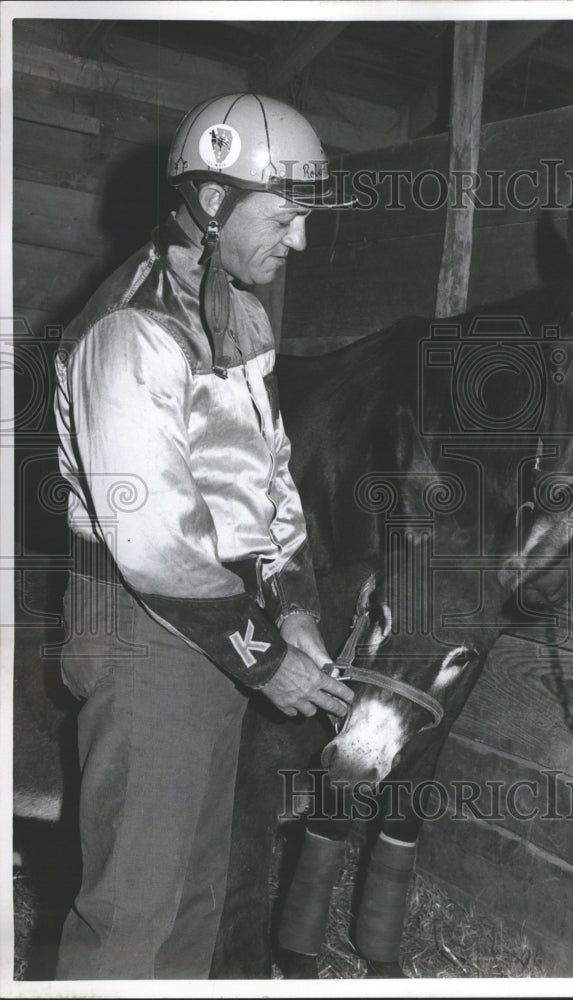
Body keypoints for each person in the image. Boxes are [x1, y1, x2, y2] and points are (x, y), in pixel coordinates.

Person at [52, 92, 354, 980]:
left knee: (196, 897)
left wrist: (292, 603)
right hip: (147, 628)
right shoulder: (132, 328)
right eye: (285, 216)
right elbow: (151, 541)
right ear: (214, 201)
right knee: (132, 913)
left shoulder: (237, 313)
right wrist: (266, 657)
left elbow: (265, 475)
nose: (296, 242)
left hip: (217, 624)